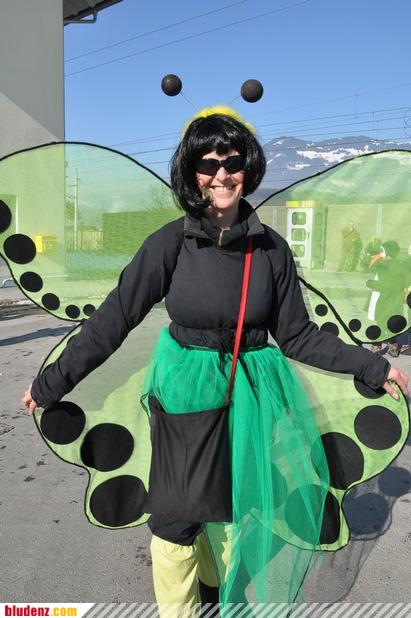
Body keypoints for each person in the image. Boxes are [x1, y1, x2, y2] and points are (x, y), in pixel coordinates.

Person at [23, 111, 409, 612]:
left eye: (233, 162)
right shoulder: (170, 244)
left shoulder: (271, 250)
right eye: (208, 163)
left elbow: (298, 336)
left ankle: (214, 590)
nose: (221, 174)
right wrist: (52, 383)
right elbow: (113, 319)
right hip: (186, 399)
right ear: (192, 171)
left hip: (248, 399)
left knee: (227, 510)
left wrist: (374, 367)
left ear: (249, 167)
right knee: (175, 522)